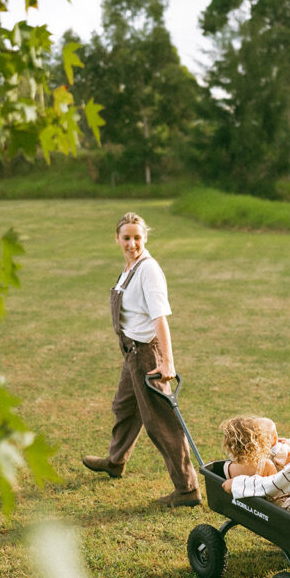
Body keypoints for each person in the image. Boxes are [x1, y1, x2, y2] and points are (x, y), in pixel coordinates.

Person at [82, 212, 201, 508]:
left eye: (137, 237)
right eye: (126, 238)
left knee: (161, 423)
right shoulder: (129, 268)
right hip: (131, 354)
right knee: (124, 407)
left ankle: (187, 491)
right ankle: (115, 461)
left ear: (145, 238)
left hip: (148, 354)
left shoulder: (149, 270)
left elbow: (160, 318)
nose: (132, 243)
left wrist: (167, 363)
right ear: (117, 238)